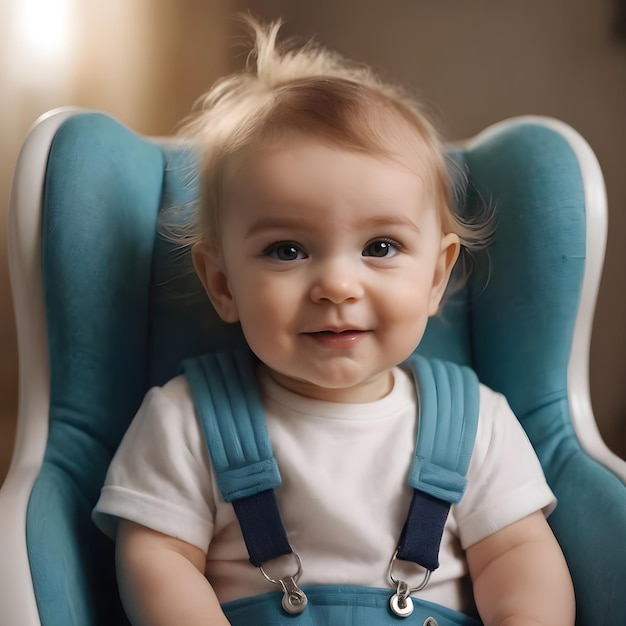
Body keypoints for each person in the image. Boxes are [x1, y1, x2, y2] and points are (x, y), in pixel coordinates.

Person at [92, 16, 575, 626]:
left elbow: (518, 554)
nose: (338, 287)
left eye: (380, 247)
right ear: (222, 283)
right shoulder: (185, 417)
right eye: (287, 250)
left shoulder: (477, 420)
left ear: (436, 276)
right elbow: (157, 556)